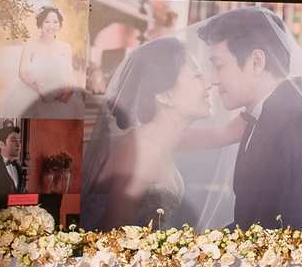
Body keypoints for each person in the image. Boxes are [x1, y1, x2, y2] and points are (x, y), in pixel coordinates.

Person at [78, 38, 215, 230]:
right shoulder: (144, 152)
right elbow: (111, 234)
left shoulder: (160, 139)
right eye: (197, 75)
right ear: (165, 96)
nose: (209, 83)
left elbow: (220, 135)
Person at [199, 7, 302, 228]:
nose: (213, 79)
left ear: (256, 62)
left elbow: (297, 228)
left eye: (219, 66)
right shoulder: (260, 118)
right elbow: (250, 220)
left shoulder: (298, 125)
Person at [11, 6, 81, 117]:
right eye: (47, 22)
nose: (51, 26)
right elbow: (22, 73)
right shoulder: (30, 47)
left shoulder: (66, 47)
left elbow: (69, 73)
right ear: (40, 23)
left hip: (60, 97)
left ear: (60, 25)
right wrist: (40, 92)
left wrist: (66, 93)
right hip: (34, 95)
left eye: (55, 22)